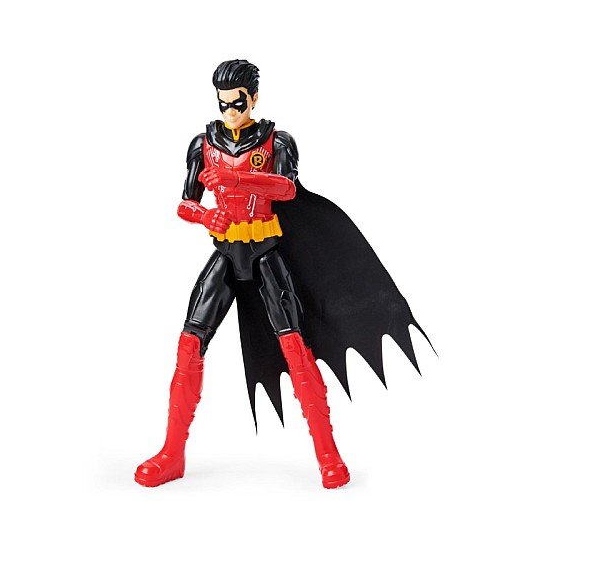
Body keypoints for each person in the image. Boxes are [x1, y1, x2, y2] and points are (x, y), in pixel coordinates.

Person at [135, 59, 428, 489]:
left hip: (266, 254)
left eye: (237, 103)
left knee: (295, 347)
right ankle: (171, 453)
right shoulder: (203, 143)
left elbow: (287, 188)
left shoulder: (277, 141)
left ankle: (328, 455)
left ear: (253, 98)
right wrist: (204, 216)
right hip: (226, 253)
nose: (230, 111)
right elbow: (185, 203)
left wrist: (239, 181)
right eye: (222, 103)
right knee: (189, 344)